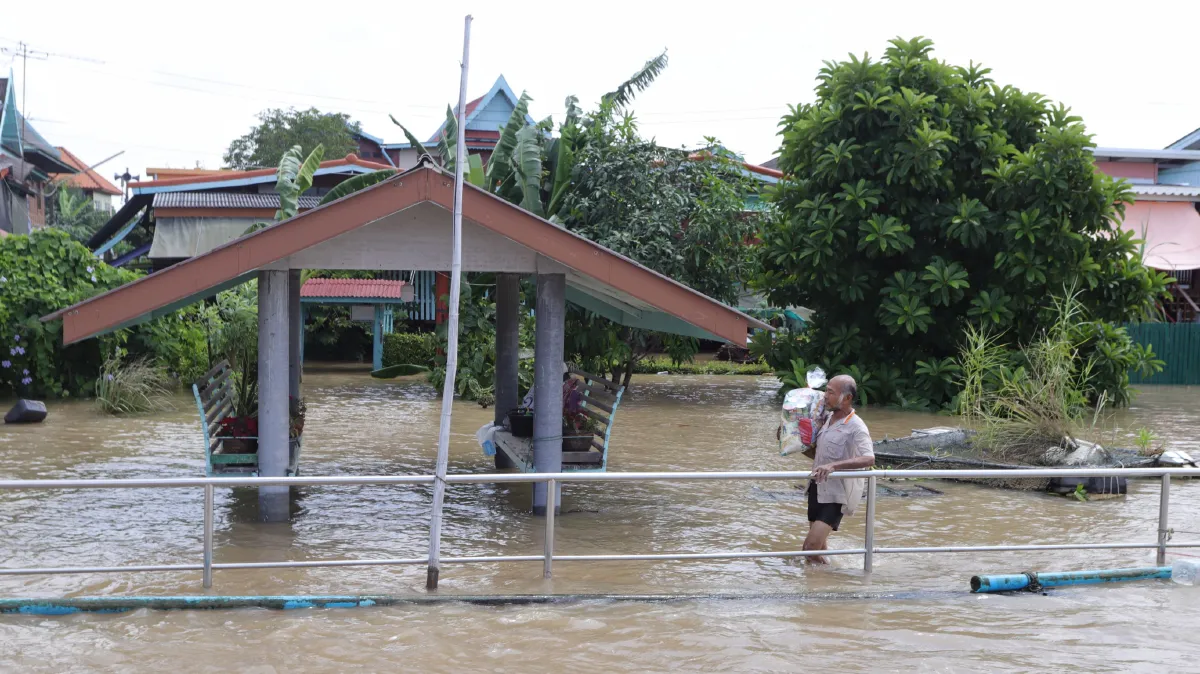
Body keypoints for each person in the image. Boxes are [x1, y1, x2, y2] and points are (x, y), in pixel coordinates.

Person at [803, 374, 875, 564]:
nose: (825, 396)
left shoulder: (856, 426)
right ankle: (827, 581)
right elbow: (817, 454)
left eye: (830, 392)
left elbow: (869, 458)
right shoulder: (825, 419)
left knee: (809, 548)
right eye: (826, 390)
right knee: (818, 549)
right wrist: (789, 435)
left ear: (847, 398)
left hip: (836, 495)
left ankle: (826, 583)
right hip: (817, 488)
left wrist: (834, 466)